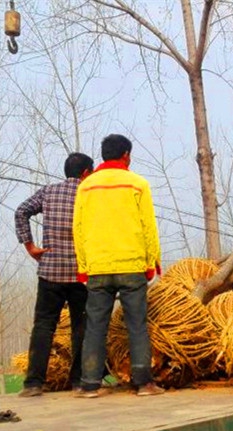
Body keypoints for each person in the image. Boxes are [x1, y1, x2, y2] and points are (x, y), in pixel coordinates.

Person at [72, 134, 164, 398]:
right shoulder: (137, 184)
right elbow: (148, 226)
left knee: (95, 326)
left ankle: (89, 384)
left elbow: (77, 229)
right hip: (131, 264)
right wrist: (151, 262)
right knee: (136, 324)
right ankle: (143, 383)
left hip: (98, 267)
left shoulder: (86, 187)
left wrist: (83, 266)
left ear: (103, 155)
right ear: (126, 155)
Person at [15, 152, 95, 397]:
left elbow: (21, 211)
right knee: (81, 326)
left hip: (50, 271)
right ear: (85, 173)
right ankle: (79, 382)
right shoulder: (89, 195)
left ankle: (33, 383)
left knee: (44, 326)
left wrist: (30, 246)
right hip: (81, 273)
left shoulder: (48, 192)